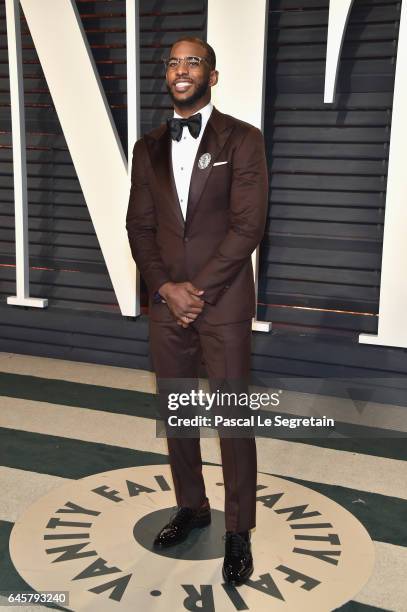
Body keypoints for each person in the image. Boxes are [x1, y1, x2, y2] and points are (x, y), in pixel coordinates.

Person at [126, 36, 269, 585]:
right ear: (167, 75)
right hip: (167, 304)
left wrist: (195, 291)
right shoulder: (148, 148)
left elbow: (247, 227)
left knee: (232, 419)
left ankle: (238, 530)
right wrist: (165, 289)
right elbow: (139, 226)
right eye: (173, 62)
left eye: (193, 62)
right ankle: (192, 506)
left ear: (212, 76)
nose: (181, 69)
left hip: (224, 301)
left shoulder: (244, 139)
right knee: (179, 413)